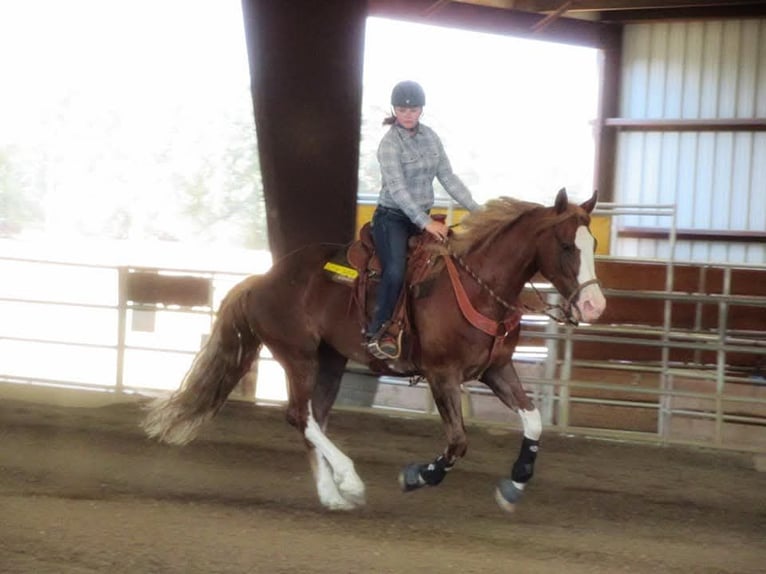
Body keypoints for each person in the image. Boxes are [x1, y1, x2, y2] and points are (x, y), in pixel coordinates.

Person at [366, 80, 481, 360]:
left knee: (447, 266)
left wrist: (478, 211)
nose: (407, 114)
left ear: (421, 111)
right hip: (392, 218)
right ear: (394, 110)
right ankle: (379, 331)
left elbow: (448, 177)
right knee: (394, 270)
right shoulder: (389, 144)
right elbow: (398, 191)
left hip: (422, 218)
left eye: (413, 109)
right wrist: (426, 223)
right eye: (402, 109)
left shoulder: (431, 138)